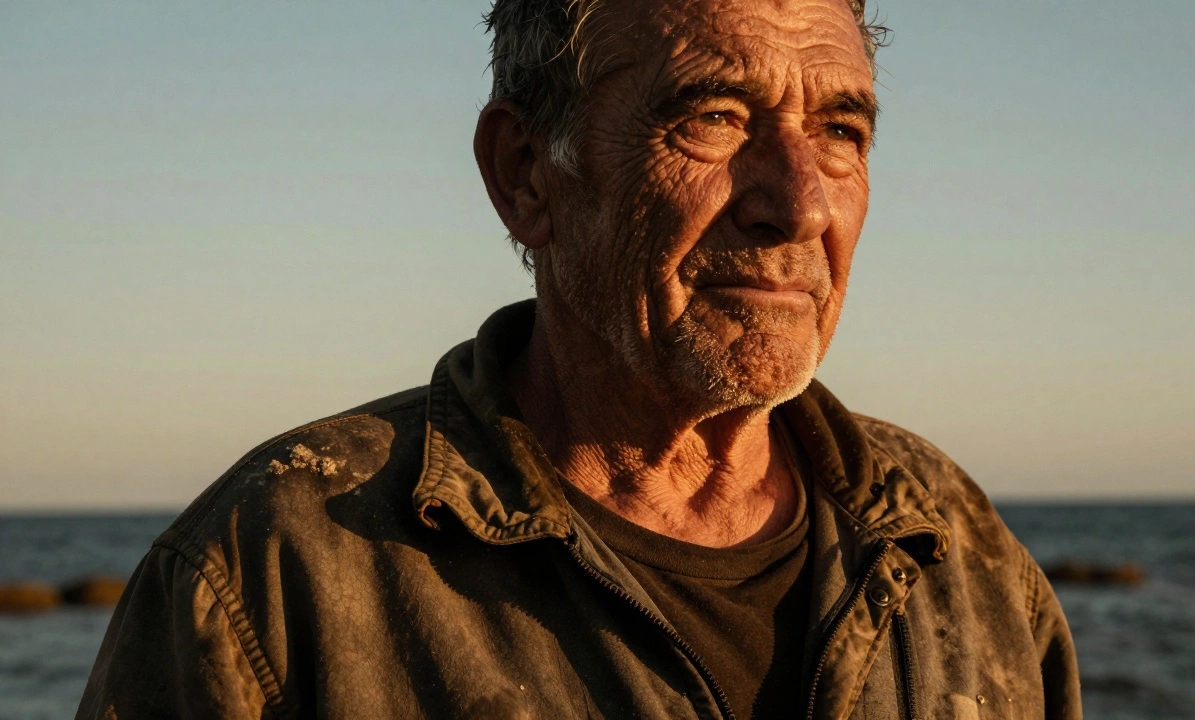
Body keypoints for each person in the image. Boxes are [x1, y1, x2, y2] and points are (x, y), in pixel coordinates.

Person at [77, 0, 1082, 718]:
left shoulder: (954, 546)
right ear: (525, 176)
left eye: (838, 132)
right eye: (712, 118)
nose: (799, 202)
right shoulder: (273, 569)